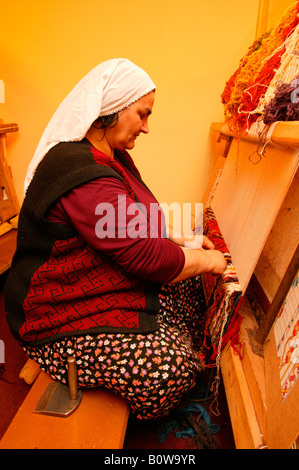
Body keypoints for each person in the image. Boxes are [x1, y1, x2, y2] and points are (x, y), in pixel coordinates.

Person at [5, 58, 226, 420]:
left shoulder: (109, 156)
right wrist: (207, 260)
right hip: (54, 316)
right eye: (142, 114)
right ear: (114, 108)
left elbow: (134, 216)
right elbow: (147, 256)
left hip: (90, 284)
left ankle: (161, 339)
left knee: (188, 290)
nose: (147, 127)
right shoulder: (80, 170)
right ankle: (77, 360)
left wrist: (184, 238)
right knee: (168, 371)